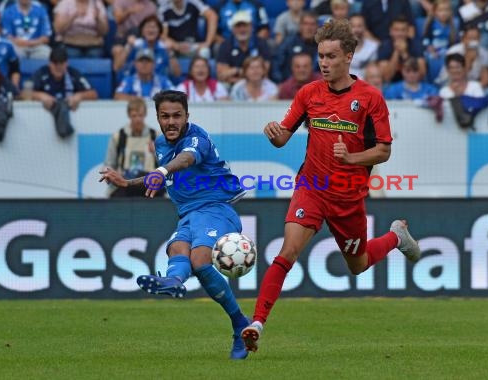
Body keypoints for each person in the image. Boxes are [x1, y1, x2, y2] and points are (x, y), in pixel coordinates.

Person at [240, 19, 421, 353]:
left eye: (331, 56)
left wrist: (351, 159)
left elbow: (384, 150)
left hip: (348, 198)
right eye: (320, 56)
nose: (323, 63)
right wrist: (274, 134)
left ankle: (396, 236)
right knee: (287, 252)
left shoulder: (369, 98)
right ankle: (256, 324)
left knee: (359, 264)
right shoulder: (309, 94)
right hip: (312, 186)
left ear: (349, 56)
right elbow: (283, 137)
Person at [99, 90, 251, 360]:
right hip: (188, 215)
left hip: (216, 208)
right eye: (165, 116)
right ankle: (175, 282)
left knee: (201, 260)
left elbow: (185, 160)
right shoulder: (160, 143)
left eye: (177, 116)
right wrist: (127, 182)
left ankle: (237, 322)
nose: (171, 122)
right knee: (177, 249)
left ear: (187, 116)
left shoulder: (197, 138)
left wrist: (162, 171)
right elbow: (163, 173)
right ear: (157, 117)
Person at [31, 46, 98, 138]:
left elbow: (93, 94)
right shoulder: (41, 73)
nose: (58, 67)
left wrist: (79, 96)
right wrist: (40, 96)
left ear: (67, 63)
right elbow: (24, 94)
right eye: (55, 63)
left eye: (61, 63)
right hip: (40, 129)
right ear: (50, 63)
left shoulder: (73, 74)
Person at [103, 98, 161, 197]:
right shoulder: (118, 137)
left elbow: (168, 165)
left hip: (149, 184)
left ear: (145, 115)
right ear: (129, 115)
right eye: (134, 116)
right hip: (124, 185)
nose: (138, 119)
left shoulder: (156, 136)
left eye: (140, 115)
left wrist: (156, 152)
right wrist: (109, 175)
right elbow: (109, 165)